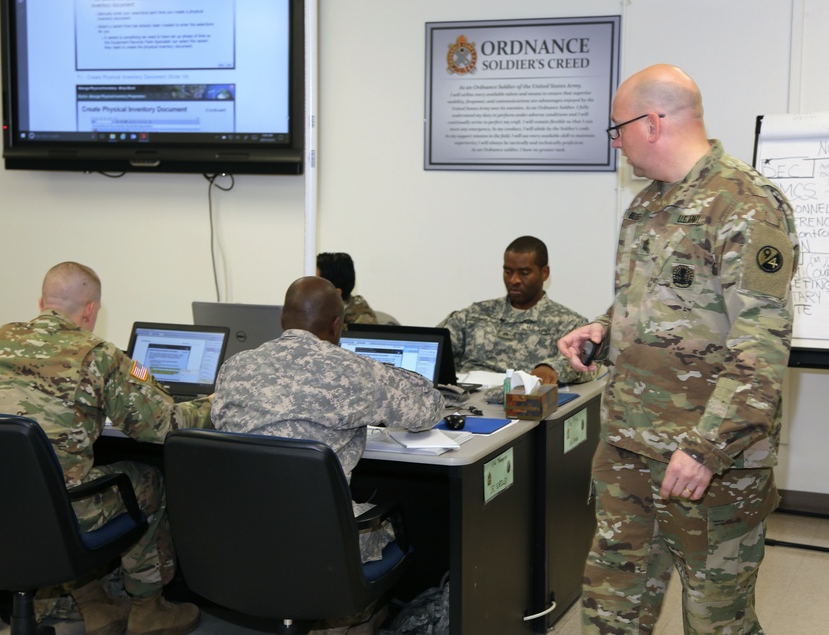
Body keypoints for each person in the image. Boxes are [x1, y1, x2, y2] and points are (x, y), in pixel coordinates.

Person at [557, 64, 798, 635]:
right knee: (609, 611)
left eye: (617, 128)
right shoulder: (646, 207)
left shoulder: (746, 205)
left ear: (653, 121)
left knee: (717, 622)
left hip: (710, 469)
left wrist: (706, 448)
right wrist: (603, 328)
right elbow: (659, 306)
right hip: (630, 453)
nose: (615, 141)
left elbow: (762, 344)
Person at [0, 262, 208, 635]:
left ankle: (95, 605)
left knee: (74, 475)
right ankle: (148, 608)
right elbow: (161, 425)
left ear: (42, 301)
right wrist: (211, 403)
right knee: (148, 480)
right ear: (91, 310)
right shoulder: (98, 355)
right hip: (62, 510)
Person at [211, 276, 444, 633]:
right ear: (337, 326)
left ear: (281, 319)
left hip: (241, 534)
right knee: (388, 525)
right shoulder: (353, 371)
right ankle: (346, 619)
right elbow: (428, 407)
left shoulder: (233, 368)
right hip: (325, 545)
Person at [439, 235, 594, 385]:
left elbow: (586, 364)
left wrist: (550, 369)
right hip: (466, 402)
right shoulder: (473, 315)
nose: (514, 280)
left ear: (544, 273)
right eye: (508, 272)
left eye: (524, 273)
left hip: (523, 404)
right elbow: (433, 346)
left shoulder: (568, 323)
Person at [316, 252, 379, 324]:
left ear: (336, 293)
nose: (310, 288)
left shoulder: (360, 322)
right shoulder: (316, 310)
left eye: (316, 284)